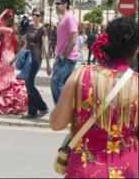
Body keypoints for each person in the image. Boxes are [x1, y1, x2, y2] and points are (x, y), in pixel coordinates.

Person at [50, 16, 138, 178]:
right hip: (128, 169)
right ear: (136, 49)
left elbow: (56, 123)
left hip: (85, 169)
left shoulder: (82, 75)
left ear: (107, 40)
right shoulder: (136, 84)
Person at [13, 7, 50, 118]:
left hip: (36, 58)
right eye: (33, 14)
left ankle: (43, 107)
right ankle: (32, 112)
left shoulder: (43, 30)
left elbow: (46, 48)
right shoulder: (30, 27)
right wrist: (15, 57)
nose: (34, 16)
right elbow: (25, 44)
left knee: (29, 83)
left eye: (37, 15)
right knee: (28, 83)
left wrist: (48, 66)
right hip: (27, 57)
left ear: (41, 17)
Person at [50, 0, 79, 105]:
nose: (56, 6)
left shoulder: (70, 18)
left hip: (67, 57)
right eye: (55, 4)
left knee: (56, 82)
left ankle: (63, 111)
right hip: (63, 56)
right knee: (62, 84)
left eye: (58, 4)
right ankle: (64, 113)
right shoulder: (64, 18)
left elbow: (74, 37)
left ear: (65, 4)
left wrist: (64, 54)